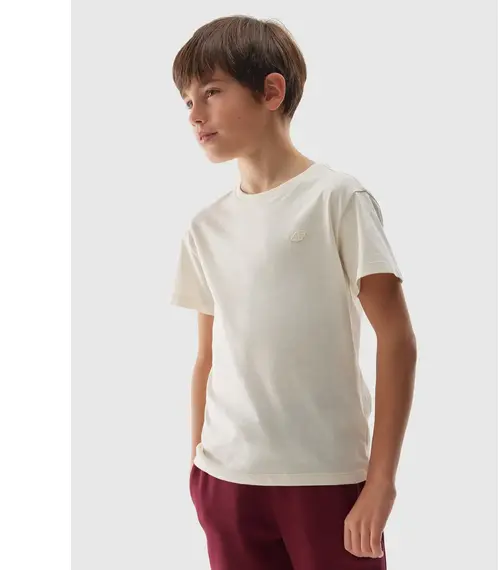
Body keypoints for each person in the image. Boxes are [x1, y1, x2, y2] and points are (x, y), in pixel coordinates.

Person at [170, 14, 417, 570]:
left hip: (327, 478)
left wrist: (380, 483)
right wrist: (198, 469)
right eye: (187, 101)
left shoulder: (337, 199)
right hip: (225, 482)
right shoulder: (205, 228)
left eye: (211, 92)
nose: (195, 114)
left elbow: (397, 339)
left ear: (271, 91)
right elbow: (207, 357)